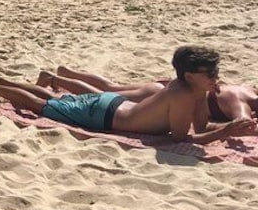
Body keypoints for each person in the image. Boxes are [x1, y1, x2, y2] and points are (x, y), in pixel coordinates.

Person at [0, 46, 258, 144]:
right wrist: (224, 133)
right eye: (211, 74)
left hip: (115, 107)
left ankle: (0, 82)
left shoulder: (195, 90)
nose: (216, 78)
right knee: (43, 106)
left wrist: (228, 128)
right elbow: (182, 138)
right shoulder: (183, 93)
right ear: (191, 75)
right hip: (105, 116)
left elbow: (201, 127)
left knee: (55, 101)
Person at [36, 65, 258, 122]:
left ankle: (66, 73)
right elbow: (242, 124)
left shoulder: (248, 90)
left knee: (112, 88)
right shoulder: (239, 102)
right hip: (166, 94)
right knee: (105, 94)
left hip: (169, 87)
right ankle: (54, 79)